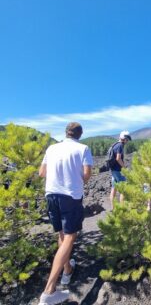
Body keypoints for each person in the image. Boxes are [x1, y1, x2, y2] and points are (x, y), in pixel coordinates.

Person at [38, 122, 93, 305]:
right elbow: (86, 175)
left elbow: (41, 172)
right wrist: (72, 177)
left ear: (66, 133)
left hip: (51, 194)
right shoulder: (83, 148)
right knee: (70, 237)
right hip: (70, 196)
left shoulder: (51, 148)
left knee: (61, 234)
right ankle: (49, 291)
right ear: (80, 134)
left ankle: (67, 271)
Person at [109, 130, 132, 209]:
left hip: (113, 170)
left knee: (114, 188)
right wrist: (124, 167)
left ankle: (113, 208)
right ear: (124, 138)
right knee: (123, 190)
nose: (127, 141)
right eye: (127, 139)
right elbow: (118, 158)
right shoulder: (120, 146)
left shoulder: (114, 145)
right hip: (118, 171)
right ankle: (123, 209)